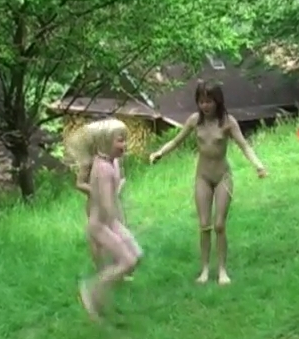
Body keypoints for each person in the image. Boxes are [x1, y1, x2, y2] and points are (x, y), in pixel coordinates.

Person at [149, 81, 267, 286]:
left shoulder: (228, 122)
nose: (205, 105)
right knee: (204, 225)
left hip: (223, 177)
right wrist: (160, 152)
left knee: (219, 225)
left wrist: (258, 166)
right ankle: (204, 269)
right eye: (201, 101)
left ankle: (222, 270)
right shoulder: (194, 121)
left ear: (217, 101)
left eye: (209, 101)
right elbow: (176, 141)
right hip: (202, 177)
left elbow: (244, 145)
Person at [65, 118, 143, 322]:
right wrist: (121, 224)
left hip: (109, 222)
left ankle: (101, 291)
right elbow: (107, 205)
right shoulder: (103, 168)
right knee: (128, 260)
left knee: (136, 256)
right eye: (120, 140)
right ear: (106, 142)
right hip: (100, 225)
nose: (124, 145)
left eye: (125, 140)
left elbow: (112, 197)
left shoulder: (110, 162)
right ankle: (92, 291)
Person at [72, 121, 126, 271]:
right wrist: (96, 192)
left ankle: (120, 265)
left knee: (119, 229)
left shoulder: (114, 159)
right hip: (95, 204)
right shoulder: (89, 161)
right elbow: (79, 183)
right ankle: (101, 269)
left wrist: (118, 187)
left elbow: (119, 178)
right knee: (98, 237)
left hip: (113, 201)